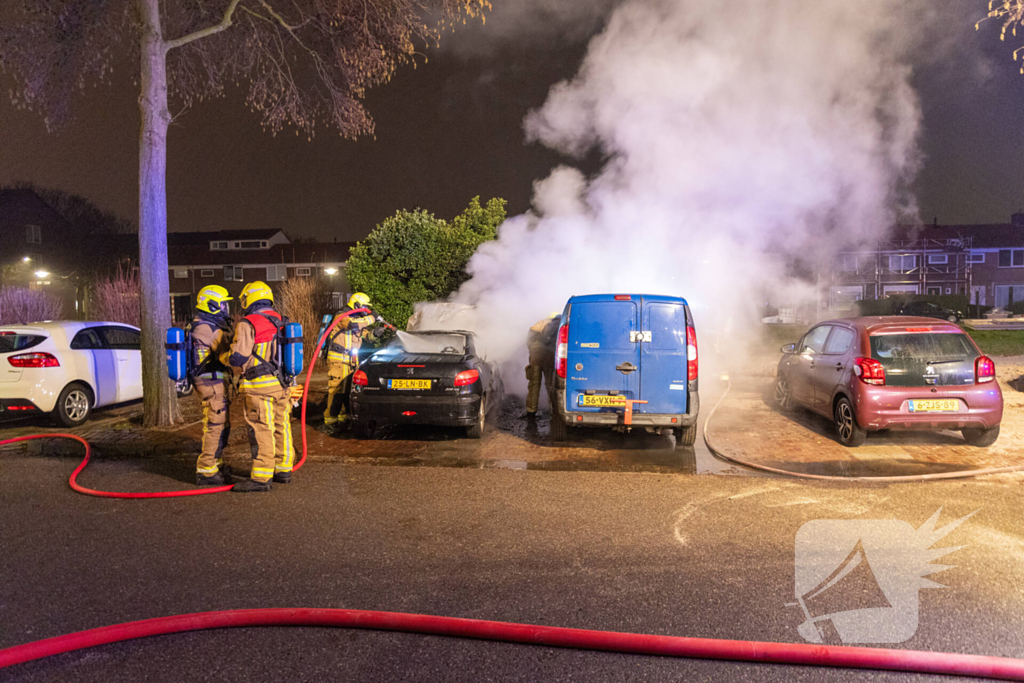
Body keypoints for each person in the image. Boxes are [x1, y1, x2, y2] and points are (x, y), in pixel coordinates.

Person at [223, 281, 300, 492]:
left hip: (259, 387)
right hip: (282, 386)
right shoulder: (281, 321)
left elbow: (238, 358)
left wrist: (224, 356)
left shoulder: (248, 323)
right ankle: (283, 469)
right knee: (281, 426)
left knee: (261, 429)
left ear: (249, 300)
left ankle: (261, 477)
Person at [190, 285, 235, 486]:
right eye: (223, 304)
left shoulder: (199, 323)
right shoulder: (209, 329)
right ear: (213, 305)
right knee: (215, 425)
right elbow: (228, 357)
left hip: (208, 381)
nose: (226, 308)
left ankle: (215, 463)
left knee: (219, 423)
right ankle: (206, 469)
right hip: (212, 382)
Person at [322, 292, 382, 428]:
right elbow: (352, 325)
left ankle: (344, 416)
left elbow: (366, 336)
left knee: (348, 389)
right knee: (337, 390)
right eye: (365, 306)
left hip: (351, 361)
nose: (366, 310)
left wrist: (375, 334)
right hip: (338, 359)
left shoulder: (358, 321)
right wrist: (373, 317)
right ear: (357, 304)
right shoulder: (342, 316)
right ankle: (330, 419)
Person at [525, 313, 562, 419]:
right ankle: (554, 410)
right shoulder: (561, 324)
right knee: (551, 384)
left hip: (536, 356)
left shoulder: (539, 324)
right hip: (550, 357)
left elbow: (529, 339)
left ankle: (531, 411)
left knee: (534, 384)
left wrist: (533, 351)